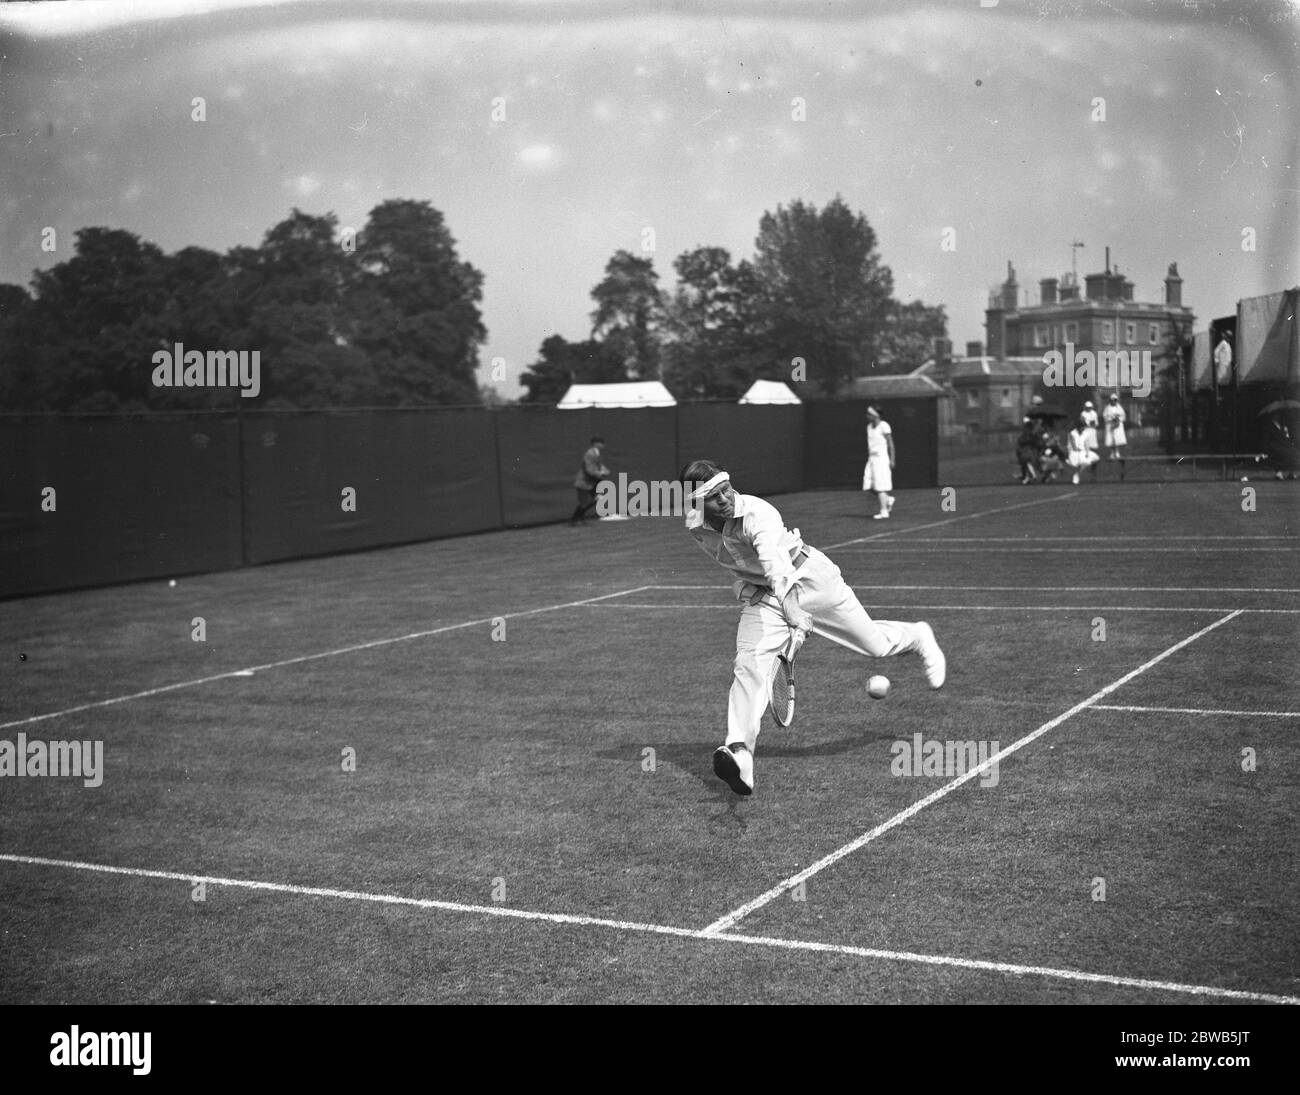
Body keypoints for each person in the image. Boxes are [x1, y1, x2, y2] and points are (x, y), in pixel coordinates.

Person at [681, 459, 946, 796]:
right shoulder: (695, 524)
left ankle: (918, 635)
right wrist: (750, 589)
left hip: (811, 583)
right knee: (748, 666)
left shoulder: (759, 514)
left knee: (875, 646)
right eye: (714, 497)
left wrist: (793, 607)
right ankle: (740, 753)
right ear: (697, 503)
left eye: (726, 489)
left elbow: (776, 565)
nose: (725, 499)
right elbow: (736, 562)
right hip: (764, 598)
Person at [862, 405, 895, 519]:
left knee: (880, 487)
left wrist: (892, 459)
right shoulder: (869, 427)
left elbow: (890, 444)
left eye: (869, 414)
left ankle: (884, 511)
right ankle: (888, 499)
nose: (867, 416)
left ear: (875, 415)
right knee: (867, 486)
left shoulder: (884, 426)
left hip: (881, 459)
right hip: (871, 459)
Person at [569, 436, 610, 526]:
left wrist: (605, 470)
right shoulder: (590, 454)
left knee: (596, 498)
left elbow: (599, 465)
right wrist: (600, 473)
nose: (603, 444)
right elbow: (589, 469)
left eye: (603, 442)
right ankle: (574, 520)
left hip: (592, 482)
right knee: (585, 502)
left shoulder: (597, 453)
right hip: (584, 482)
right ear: (595, 443)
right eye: (600, 442)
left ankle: (580, 517)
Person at [1067, 415, 1100, 485]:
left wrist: (1087, 452)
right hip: (1074, 453)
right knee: (1085, 461)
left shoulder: (1085, 433)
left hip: (1083, 452)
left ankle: (1077, 474)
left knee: (1096, 458)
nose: (1084, 428)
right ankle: (1077, 475)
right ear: (1078, 427)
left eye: (1084, 426)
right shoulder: (1072, 433)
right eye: (1082, 427)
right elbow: (1073, 446)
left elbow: (1086, 444)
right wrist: (1078, 449)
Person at [1102, 393, 1127, 475]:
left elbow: (1123, 416)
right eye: (1112, 400)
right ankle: (1112, 453)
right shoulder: (1107, 408)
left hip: (1118, 426)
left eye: (1115, 400)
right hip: (1110, 425)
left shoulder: (1119, 408)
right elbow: (1105, 416)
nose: (1113, 401)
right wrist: (1111, 419)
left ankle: (1117, 452)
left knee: (1117, 439)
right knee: (1111, 440)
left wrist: (1118, 419)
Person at [1015, 417, 1040, 484]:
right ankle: (1027, 477)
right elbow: (1020, 443)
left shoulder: (1032, 435)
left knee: (1027, 462)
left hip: (1031, 452)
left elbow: (1035, 443)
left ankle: (1030, 476)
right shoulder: (1024, 435)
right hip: (1026, 452)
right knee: (1025, 463)